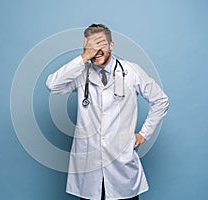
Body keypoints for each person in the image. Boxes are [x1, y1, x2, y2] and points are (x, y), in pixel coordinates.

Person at [46, 24, 169, 200]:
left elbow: (160, 100)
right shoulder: (81, 74)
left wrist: (144, 134)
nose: (96, 50)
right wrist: (84, 57)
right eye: (90, 46)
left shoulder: (131, 71)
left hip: (122, 165)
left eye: (100, 44)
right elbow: (52, 85)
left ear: (111, 45)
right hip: (88, 166)